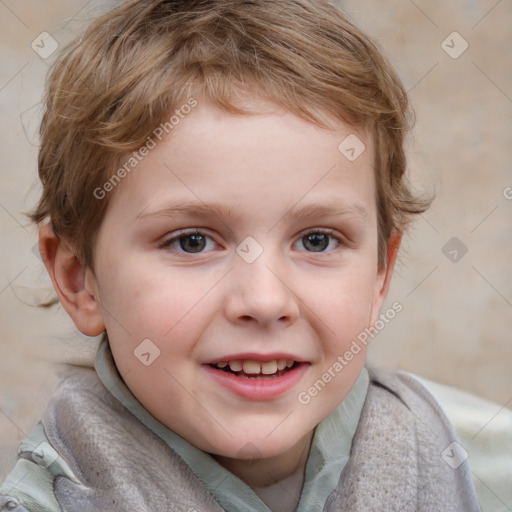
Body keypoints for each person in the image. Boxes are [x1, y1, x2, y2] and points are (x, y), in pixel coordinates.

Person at [0, 0, 482, 510]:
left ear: (381, 274)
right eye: (192, 241)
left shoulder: (464, 455)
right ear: (80, 279)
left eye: (317, 240)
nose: (265, 299)